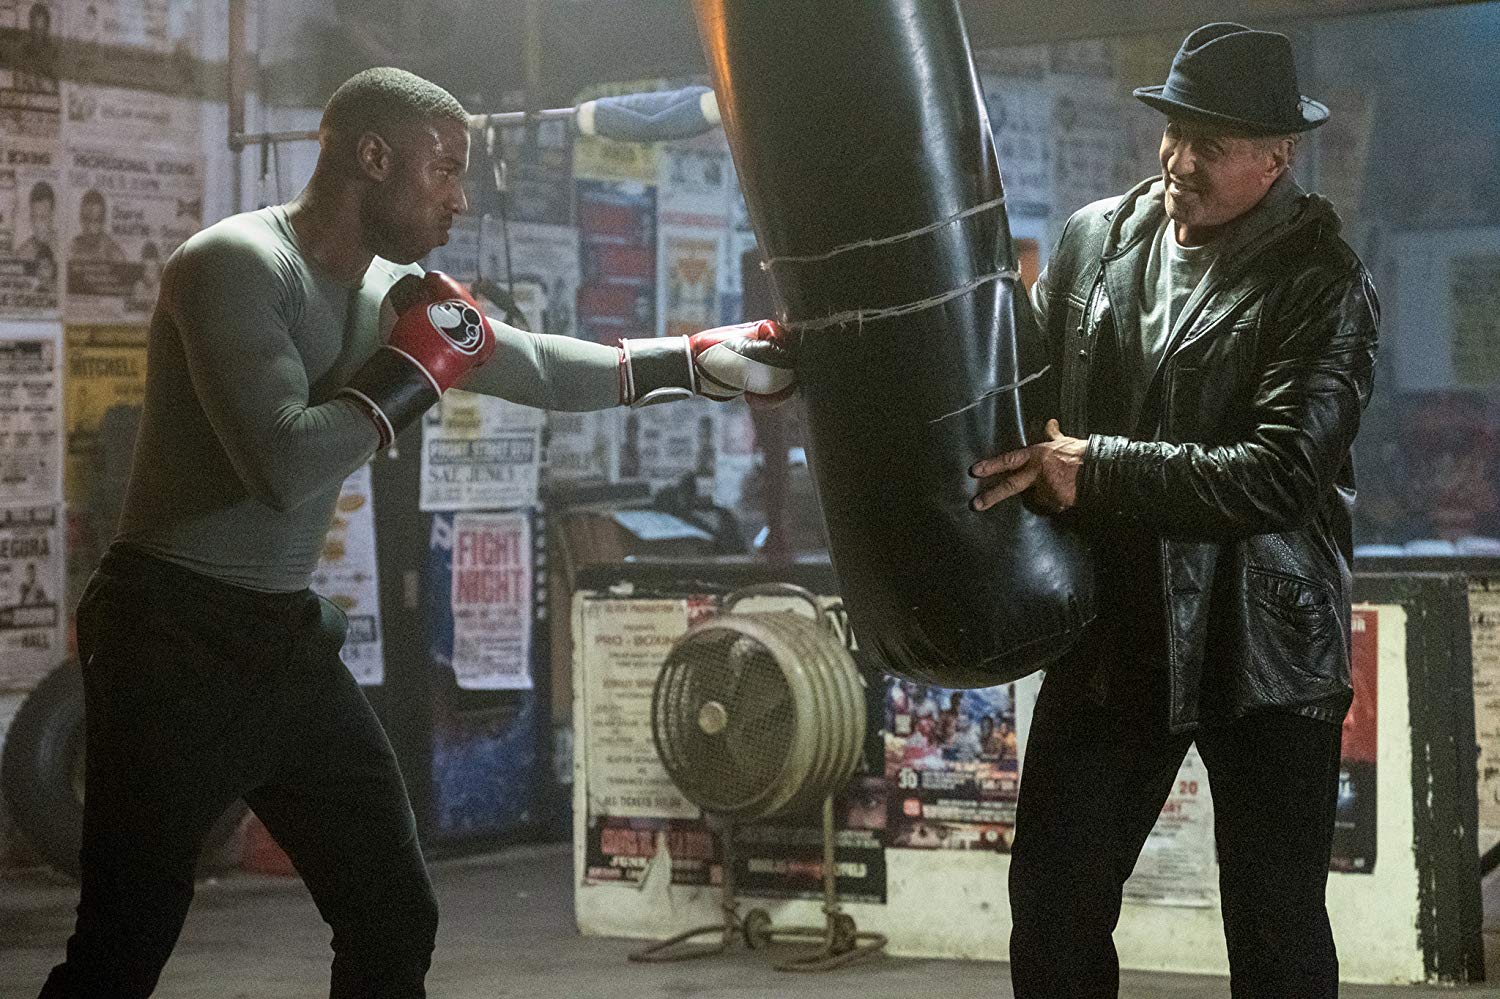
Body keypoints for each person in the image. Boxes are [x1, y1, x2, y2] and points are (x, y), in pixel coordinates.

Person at [39, 67, 791, 999]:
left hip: (282, 640)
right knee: (123, 945)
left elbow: (537, 365)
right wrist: (417, 369)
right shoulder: (234, 264)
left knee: (393, 911)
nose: (458, 198)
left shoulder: (392, 289)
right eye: (445, 169)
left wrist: (700, 362)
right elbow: (282, 464)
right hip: (168, 636)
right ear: (373, 157)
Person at [968, 24, 1378, 998]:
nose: (1181, 161)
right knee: (1054, 906)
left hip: (1261, 645)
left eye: (1213, 143)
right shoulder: (1093, 239)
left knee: (1276, 936)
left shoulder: (1324, 282)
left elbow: (1279, 475)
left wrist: (1098, 472)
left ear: (1279, 156)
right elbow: (1021, 400)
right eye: (1176, 132)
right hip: (1114, 634)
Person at [68, 189, 126, 263]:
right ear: (80, 218)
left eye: (96, 220)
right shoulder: (74, 246)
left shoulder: (114, 252)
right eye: (86, 219)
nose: (90, 226)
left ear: (103, 221)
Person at [18, 182, 56, 261]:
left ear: (52, 216)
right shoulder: (23, 252)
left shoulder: (62, 246)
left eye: (43, 218)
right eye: (33, 217)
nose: (37, 224)